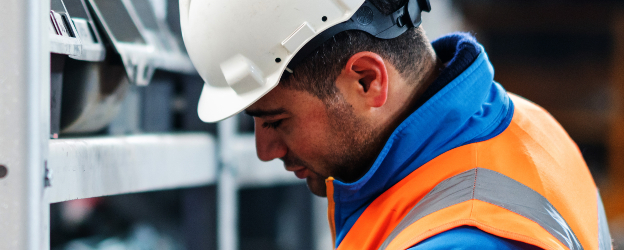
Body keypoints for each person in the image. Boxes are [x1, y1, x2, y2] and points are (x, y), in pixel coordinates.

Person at [179, 0, 612, 249]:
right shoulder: (521, 121)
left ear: (367, 81)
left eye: (275, 120)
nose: (264, 149)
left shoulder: (461, 239)